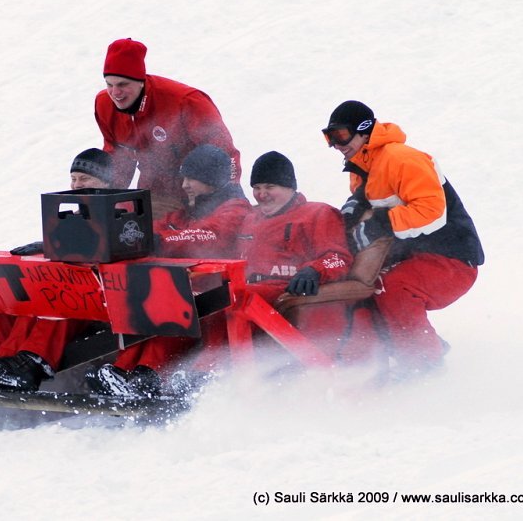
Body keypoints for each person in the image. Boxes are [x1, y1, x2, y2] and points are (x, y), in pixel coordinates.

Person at [321, 100, 484, 376]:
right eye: (329, 138)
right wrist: (352, 211)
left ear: (363, 130)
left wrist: (380, 225)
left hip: (451, 258)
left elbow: (431, 211)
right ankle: (391, 357)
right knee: (361, 289)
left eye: (340, 135)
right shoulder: (363, 169)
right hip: (414, 256)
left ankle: (426, 366)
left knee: (392, 288)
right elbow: (371, 203)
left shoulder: (401, 158)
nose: (336, 144)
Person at [0, 149, 116, 390]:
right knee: (16, 300)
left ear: (105, 182)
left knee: (57, 303)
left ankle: (26, 365)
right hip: (77, 293)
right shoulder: (71, 218)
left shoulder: (120, 214)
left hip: (103, 302)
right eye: (73, 179)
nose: (76, 185)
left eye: (84, 179)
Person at [84, 144, 252, 397]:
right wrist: (110, 240)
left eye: (191, 178)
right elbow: (154, 230)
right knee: (148, 304)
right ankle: (126, 371)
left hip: (216, 293)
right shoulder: (185, 214)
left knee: (172, 309)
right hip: (187, 292)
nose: (184, 185)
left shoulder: (235, 208)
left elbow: (209, 235)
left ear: (211, 179)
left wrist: (161, 240)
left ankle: (146, 374)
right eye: (183, 178)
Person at [95, 38, 241, 219]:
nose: (115, 93)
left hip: (198, 193)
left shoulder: (186, 103)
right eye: (110, 84)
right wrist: (101, 202)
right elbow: (118, 159)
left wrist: (224, 200)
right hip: (153, 194)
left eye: (123, 84)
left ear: (141, 81)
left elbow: (226, 155)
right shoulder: (104, 105)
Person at [235, 151, 353, 359]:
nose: (262, 194)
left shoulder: (317, 214)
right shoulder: (250, 219)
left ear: (290, 187)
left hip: (287, 290)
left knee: (229, 300)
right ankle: (172, 366)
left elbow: (339, 258)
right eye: (256, 188)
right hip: (247, 288)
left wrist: (314, 270)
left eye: (270, 187)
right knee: (200, 301)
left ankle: (211, 370)